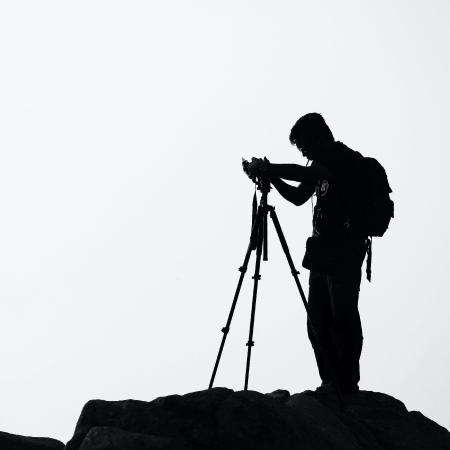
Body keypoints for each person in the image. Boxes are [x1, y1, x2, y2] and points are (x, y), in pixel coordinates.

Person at [246, 112, 368, 395]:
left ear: (321, 138)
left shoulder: (342, 160)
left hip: (345, 250)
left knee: (343, 318)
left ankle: (346, 383)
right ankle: (331, 382)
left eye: (304, 146)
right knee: (317, 323)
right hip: (322, 251)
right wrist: (270, 176)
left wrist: (268, 166)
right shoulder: (319, 164)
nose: (303, 154)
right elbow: (298, 197)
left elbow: (307, 174)